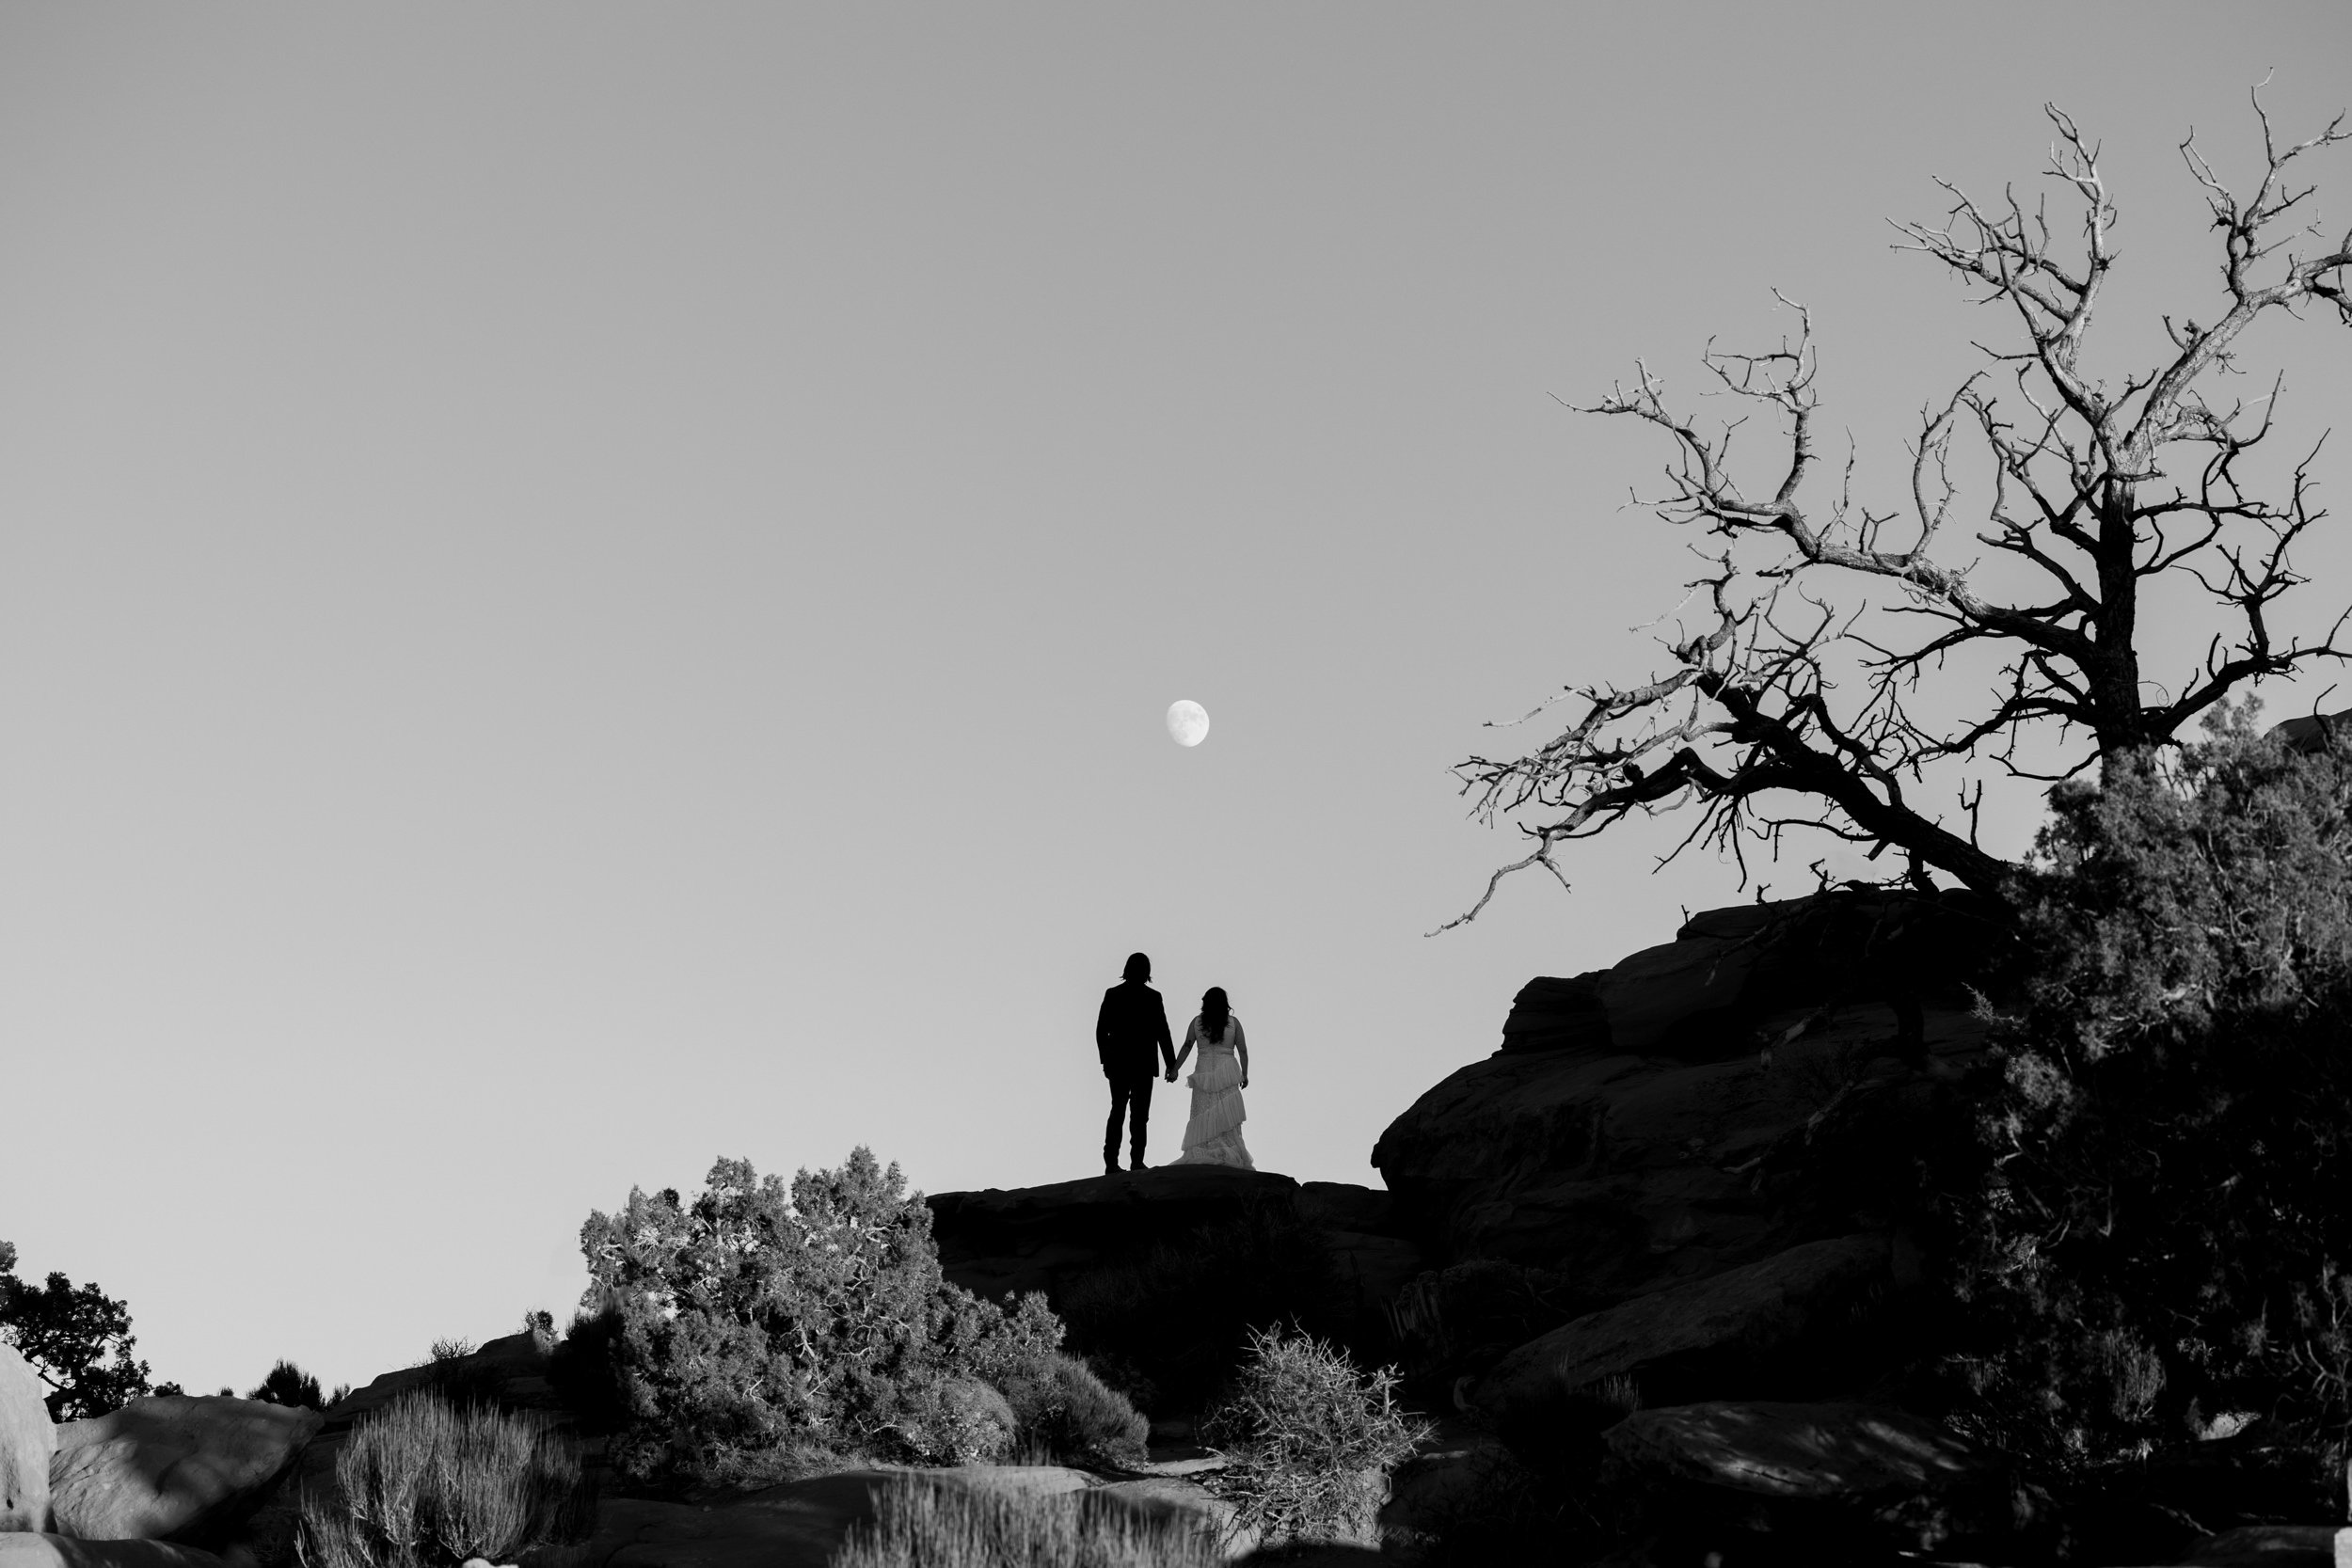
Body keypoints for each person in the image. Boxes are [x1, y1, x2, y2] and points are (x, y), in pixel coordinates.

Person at [1096, 951, 1176, 1175]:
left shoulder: (1114, 994)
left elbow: (1102, 1031)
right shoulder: (1152, 997)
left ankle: (1113, 1163)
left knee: (1119, 1111)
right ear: (1147, 972)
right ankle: (1135, 1162)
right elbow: (1163, 1032)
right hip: (1140, 1063)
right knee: (1139, 1115)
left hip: (1120, 1064)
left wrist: (1106, 1060)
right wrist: (1171, 1064)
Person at [1168, 986, 1252, 1168]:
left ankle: (1203, 1150)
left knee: (1203, 1108)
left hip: (1204, 1068)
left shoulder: (1197, 1022)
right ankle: (1229, 1150)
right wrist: (1244, 1073)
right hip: (1227, 1069)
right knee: (1225, 1109)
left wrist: (1175, 1069)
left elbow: (1187, 1046)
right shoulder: (1233, 1022)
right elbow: (1242, 1049)